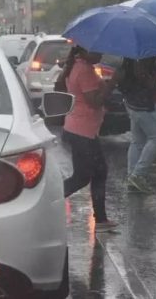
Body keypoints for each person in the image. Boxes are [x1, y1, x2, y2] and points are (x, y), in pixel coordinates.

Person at [58, 46, 117, 231]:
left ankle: (100, 219)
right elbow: (94, 101)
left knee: (92, 174)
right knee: (85, 176)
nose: (100, 54)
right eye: (96, 51)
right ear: (84, 52)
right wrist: (112, 83)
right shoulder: (83, 70)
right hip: (82, 130)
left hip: (82, 129)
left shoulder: (79, 66)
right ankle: (47, 201)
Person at [114, 56, 156, 193]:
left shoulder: (129, 55)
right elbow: (140, 73)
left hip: (132, 101)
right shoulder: (145, 55)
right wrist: (155, 84)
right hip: (145, 103)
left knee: (138, 141)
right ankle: (138, 174)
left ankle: (132, 176)